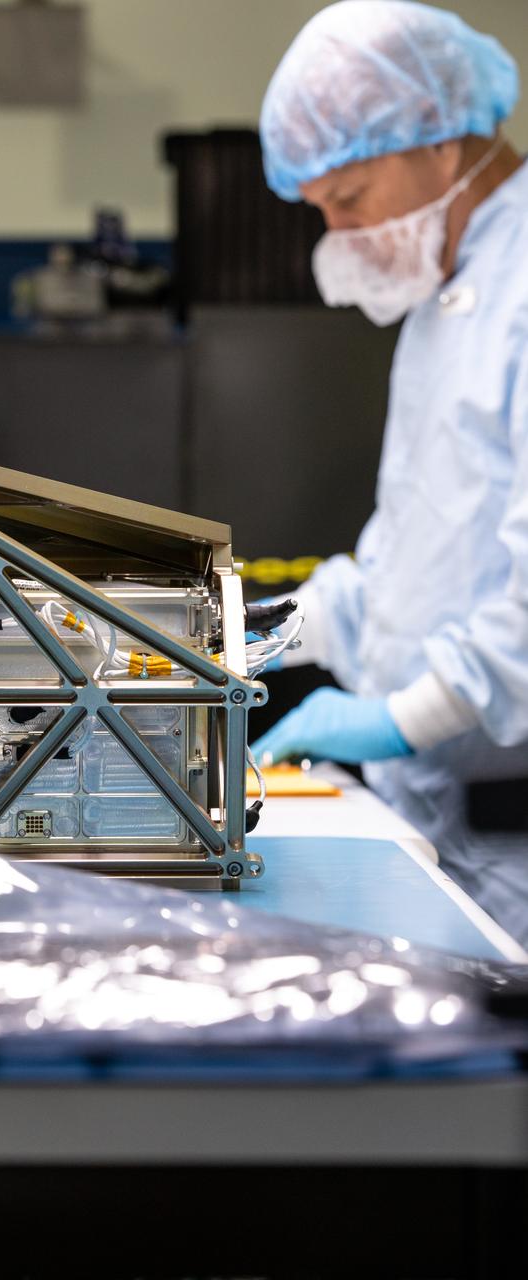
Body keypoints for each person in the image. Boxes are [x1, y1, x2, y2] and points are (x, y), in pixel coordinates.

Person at [251, 0, 528, 948]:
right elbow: (417, 548)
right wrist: (242, 638)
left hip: (509, 821)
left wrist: (405, 715)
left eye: (350, 199)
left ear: (441, 142)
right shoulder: (446, 299)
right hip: (448, 822)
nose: (337, 238)